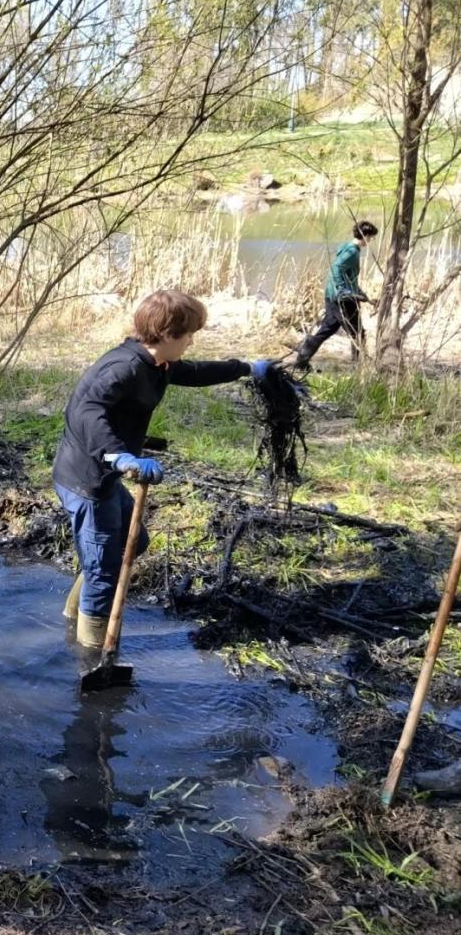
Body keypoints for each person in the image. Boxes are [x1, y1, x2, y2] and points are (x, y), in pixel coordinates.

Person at [53, 290, 269, 646]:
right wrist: (118, 455)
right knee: (103, 571)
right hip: (86, 481)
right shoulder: (123, 368)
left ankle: (74, 612)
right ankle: (90, 653)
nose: (191, 342)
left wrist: (245, 368)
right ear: (168, 335)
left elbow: (195, 371)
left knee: (131, 545)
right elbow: (87, 411)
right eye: (188, 335)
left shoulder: (156, 364)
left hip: (104, 477)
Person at [290, 220, 379, 369]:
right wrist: (343, 290)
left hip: (332, 296)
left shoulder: (348, 248)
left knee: (328, 328)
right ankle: (359, 367)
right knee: (358, 333)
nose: (371, 241)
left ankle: (301, 359)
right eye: (371, 237)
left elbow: (349, 277)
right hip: (342, 299)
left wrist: (364, 296)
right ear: (364, 235)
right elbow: (336, 269)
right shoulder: (352, 251)